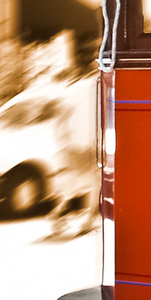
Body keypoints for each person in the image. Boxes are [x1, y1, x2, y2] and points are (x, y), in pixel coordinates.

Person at [45, 70, 100, 239]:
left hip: (76, 144)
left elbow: (62, 114)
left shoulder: (78, 88)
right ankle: (83, 220)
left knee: (78, 182)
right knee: (94, 182)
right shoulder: (96, 87)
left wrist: (62, 139)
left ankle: (60, 215)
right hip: (85, 144)